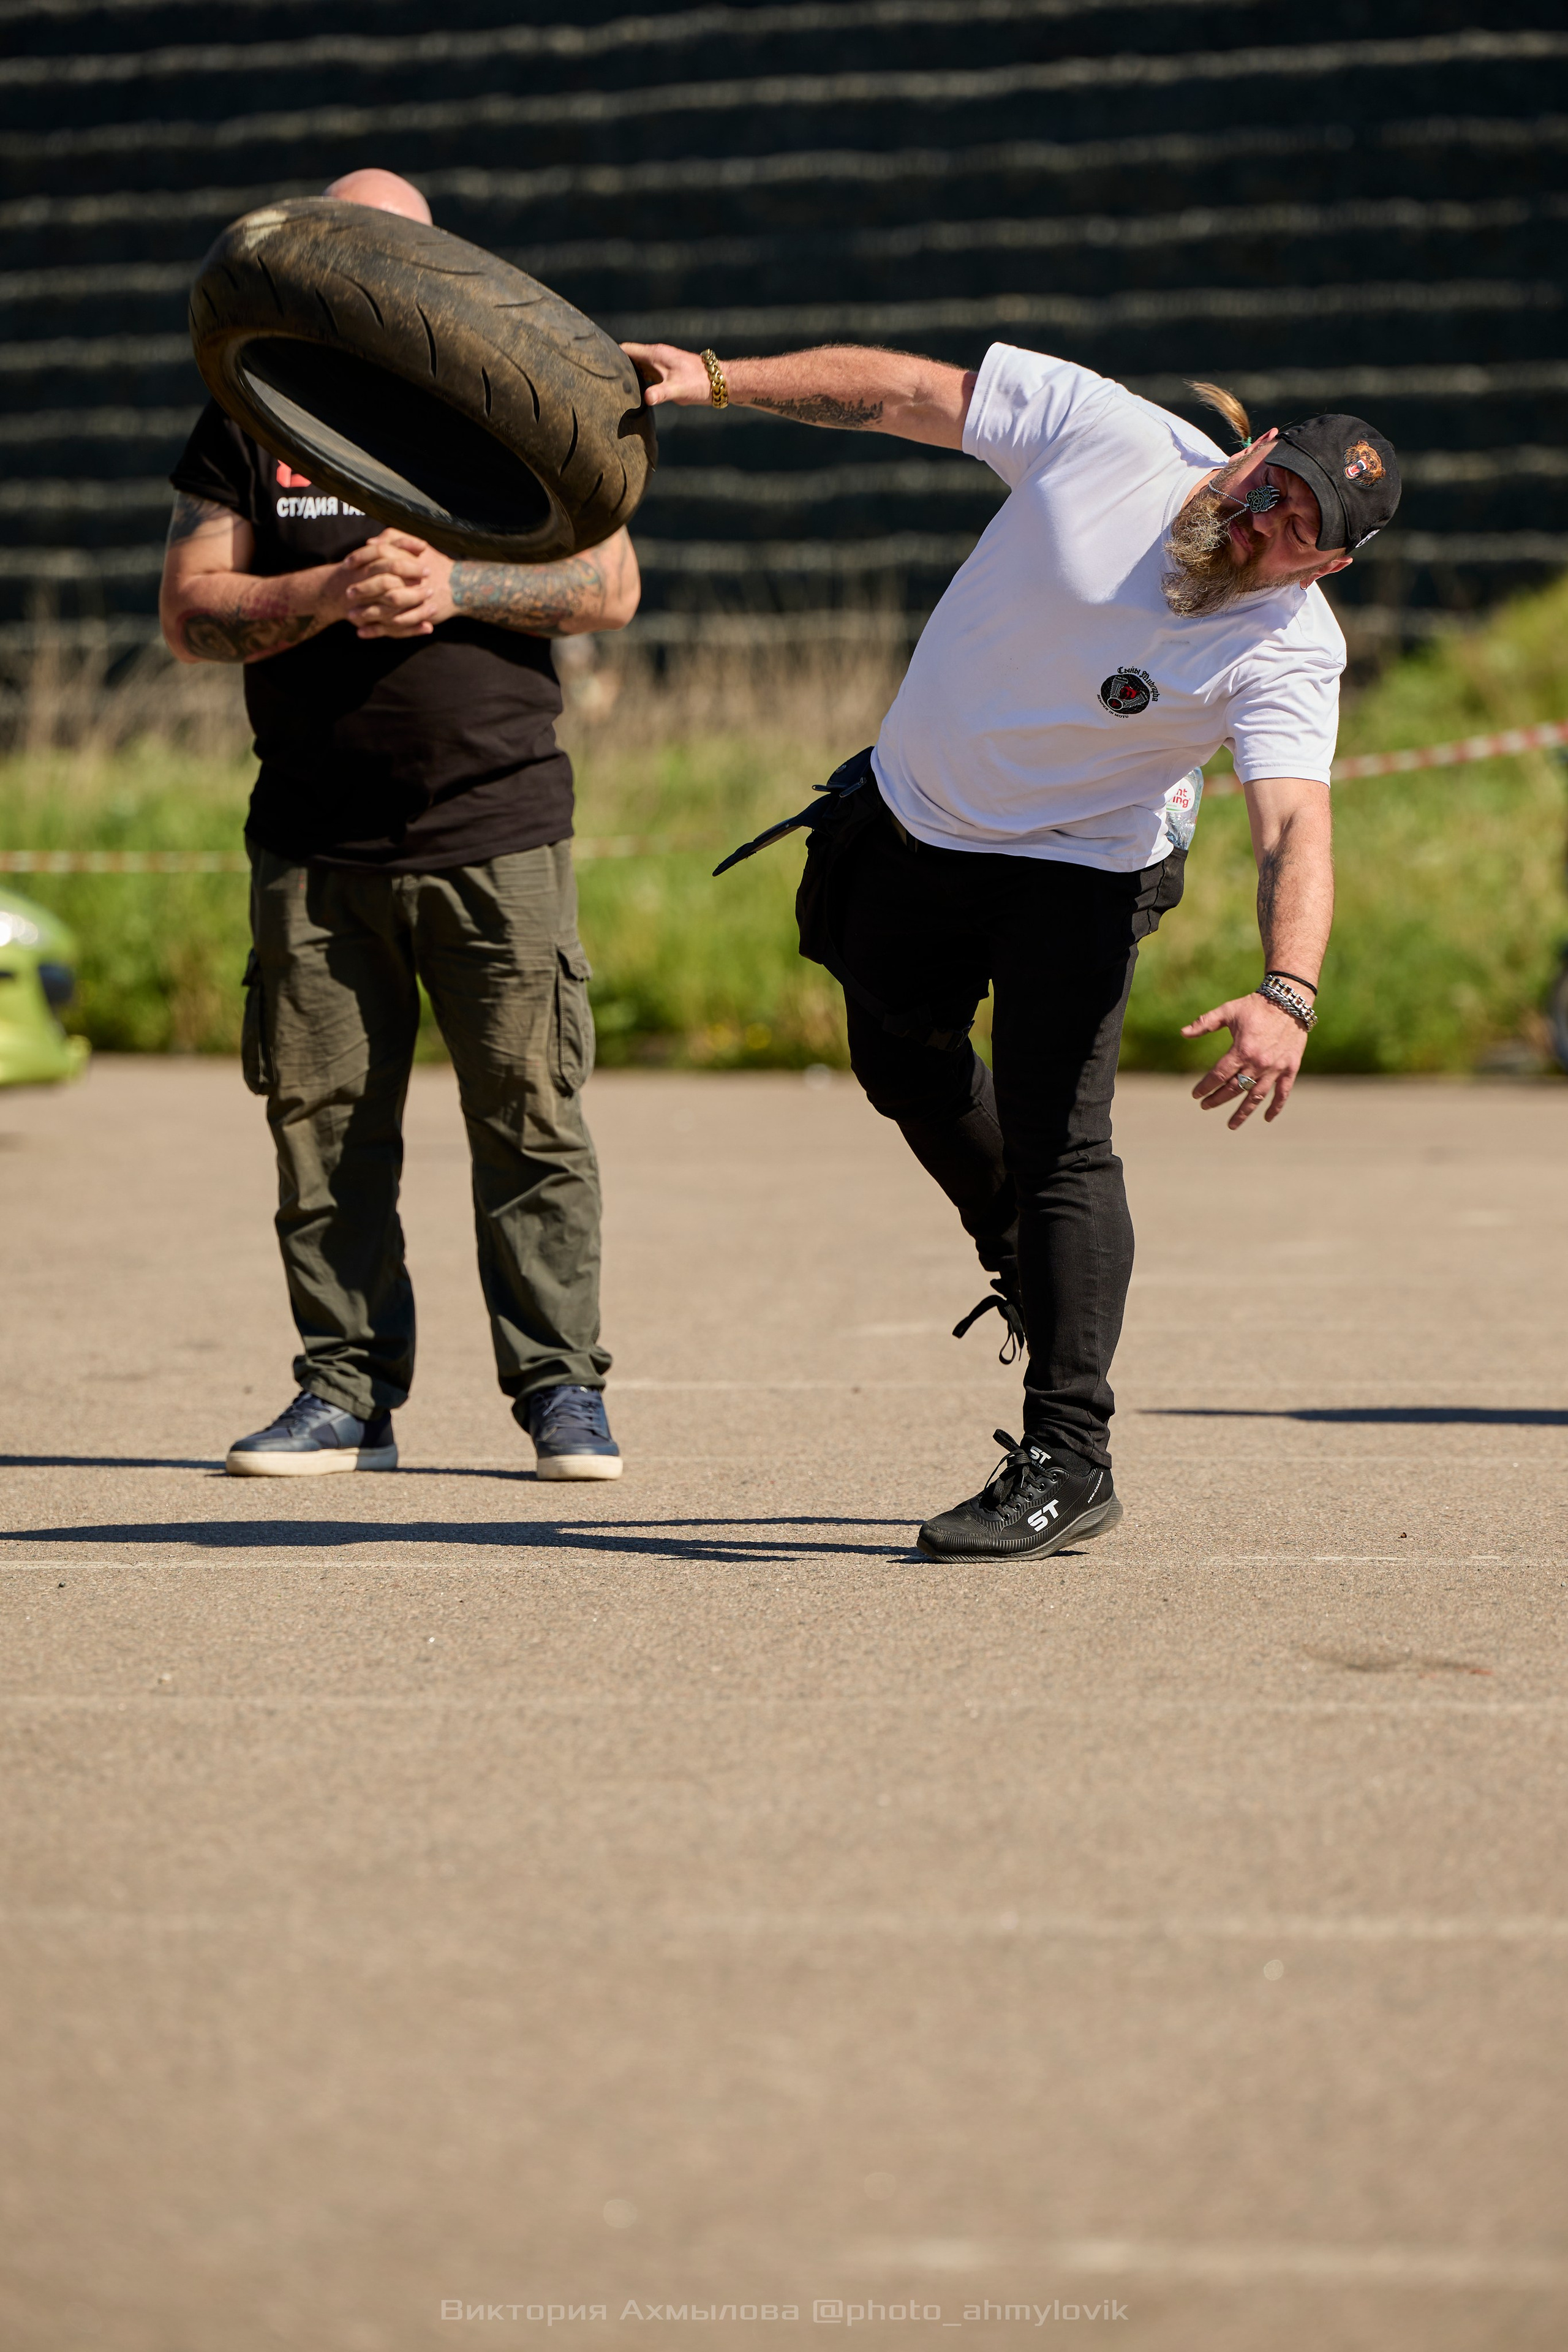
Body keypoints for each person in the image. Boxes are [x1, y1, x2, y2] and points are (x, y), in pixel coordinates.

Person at [622, 334, 1400, 1559]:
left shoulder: (1286, 649)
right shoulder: (1107, 434)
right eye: (1271, 483)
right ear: (1250, 447)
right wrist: (718, 381)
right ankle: (1016, 1250)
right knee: (899, 1067)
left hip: (1079, 872)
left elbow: (1292, 824)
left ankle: (1067, 1459)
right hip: (912, 823)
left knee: (1060, 1143)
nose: (1261, 522)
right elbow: (903, 394)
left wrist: (1284, 992)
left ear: (1331, 565)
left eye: (1300, 527)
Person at [161, 168, 639, 1481]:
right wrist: (321, 588)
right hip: (314, 841)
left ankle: (561, 1395)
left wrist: (457, 582)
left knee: (531, 1122)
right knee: (321, 1132)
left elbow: (610, 583)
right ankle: (344, 1398)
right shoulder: (251, 406)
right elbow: (190, 608)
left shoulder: (502, 400)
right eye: (351, 244)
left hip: (498, 823)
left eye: (398, 252)